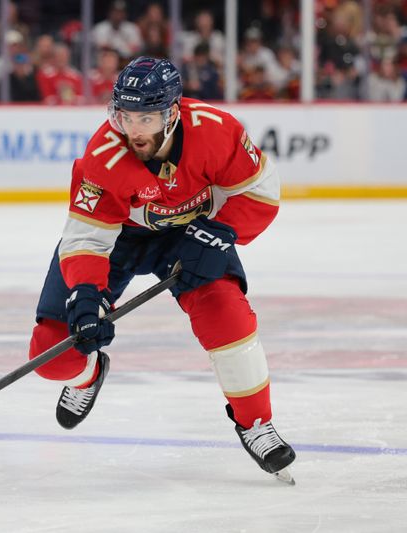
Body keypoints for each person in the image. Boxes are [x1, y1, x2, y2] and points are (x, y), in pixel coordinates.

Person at [27, 57, 296, 482]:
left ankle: (256, 423)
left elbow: (261, 193)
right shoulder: (103, 156)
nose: (134, 129)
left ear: (171, 113)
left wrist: (219, 234)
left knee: (227, 317)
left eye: (146, 117)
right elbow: (86, 238)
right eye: (125, 115)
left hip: (190, 235)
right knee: (52, 352)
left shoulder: (216, 130)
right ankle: (89, 375)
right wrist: (85, 295)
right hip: (117, 241)